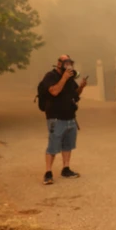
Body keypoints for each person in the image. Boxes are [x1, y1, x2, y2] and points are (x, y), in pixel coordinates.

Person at [41, 55, 88, 185]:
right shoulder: (50, 76)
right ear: (59, 63)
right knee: (53, 145)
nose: (68, 65)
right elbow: (54, 91)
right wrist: (64, 78)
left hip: (70, 117)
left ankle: (66, 169)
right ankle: (48, 172)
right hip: (55, 118)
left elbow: (75, 94)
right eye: (66, 63)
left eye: (70, 63)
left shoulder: (70, 79)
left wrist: (82, 87)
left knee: (68, 145)